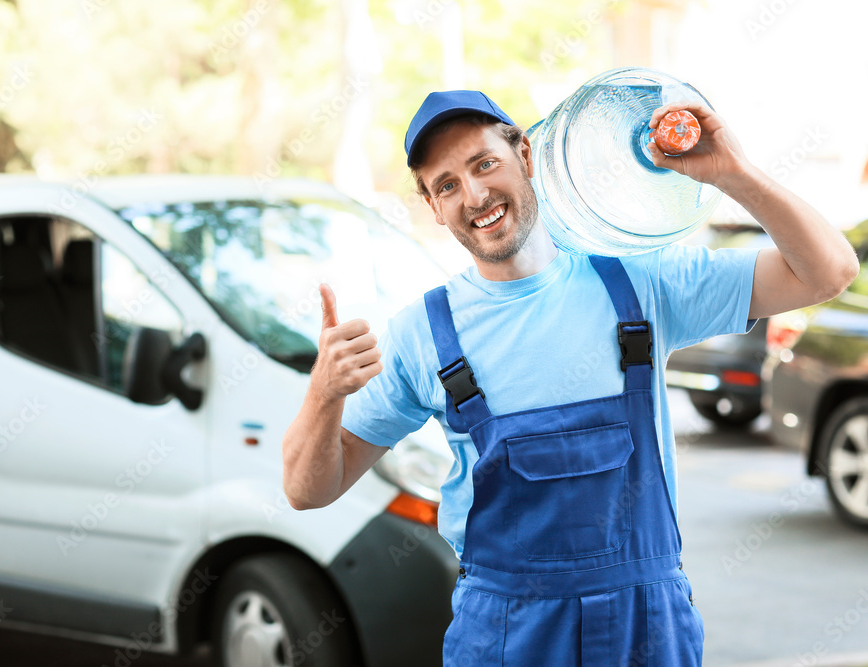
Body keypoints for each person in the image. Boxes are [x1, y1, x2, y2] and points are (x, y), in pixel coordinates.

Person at [282, 89, 858, 665]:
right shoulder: (422, 335)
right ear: (433, 206)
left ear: (526, 156)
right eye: (447, 184)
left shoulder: (641, 283)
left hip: (647, 628)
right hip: (508, 636)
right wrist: (324, 394)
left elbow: (828, 272)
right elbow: (309, 489)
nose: (475, 194)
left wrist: (734, 173)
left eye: (485, 164)